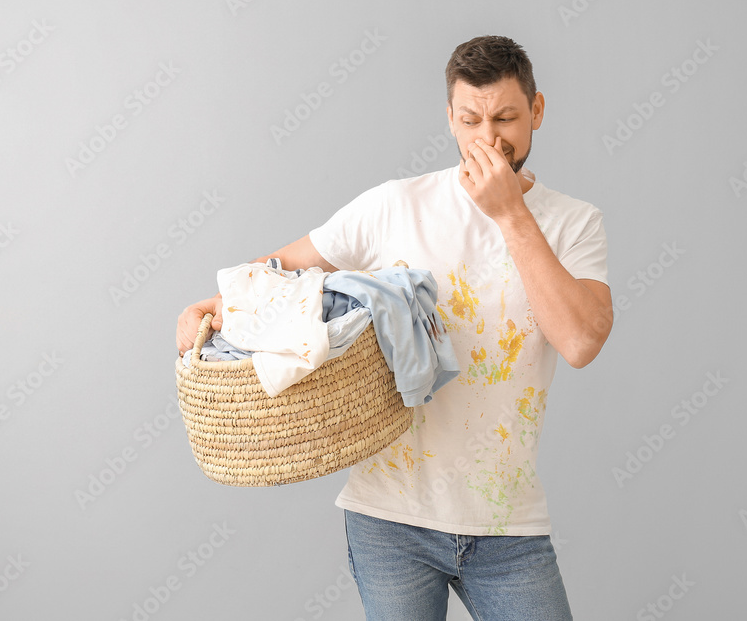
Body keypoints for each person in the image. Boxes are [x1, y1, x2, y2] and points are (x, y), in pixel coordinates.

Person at [176, 35, 613, 620]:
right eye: (471, 120)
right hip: (390, 520)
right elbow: (277, 272)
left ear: (536, 110)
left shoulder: (574, 223)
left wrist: (510, 212)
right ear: (450, 119)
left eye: (506, 118)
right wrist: (210, 305)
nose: (488, 138)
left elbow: (581, 342)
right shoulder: (394, 206)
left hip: (507, 525)